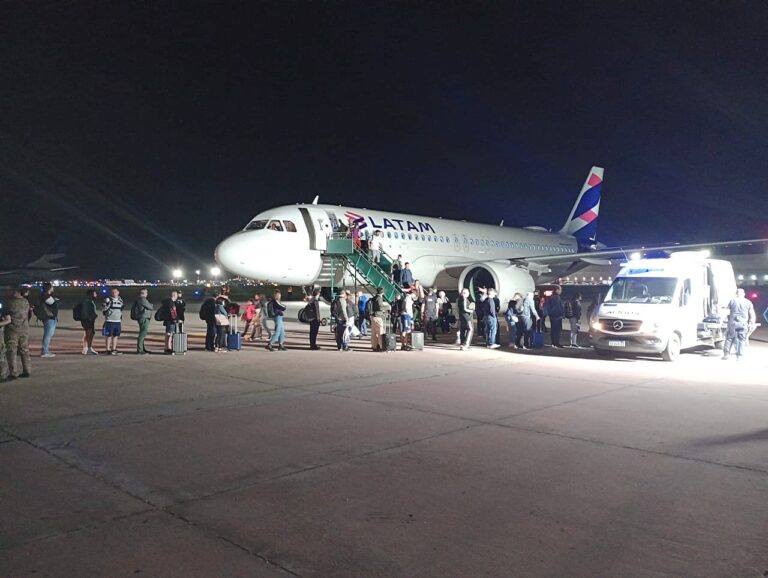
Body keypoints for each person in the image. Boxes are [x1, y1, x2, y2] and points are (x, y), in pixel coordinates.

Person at [4, 286, 31, 379]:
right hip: (24, 329)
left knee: (11, 351)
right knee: (24, 350)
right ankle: (27, 370)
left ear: (15, 291)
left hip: (12, 330)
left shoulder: (10, 302)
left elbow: (6, 315)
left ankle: (13, 372)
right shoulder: (26, 302)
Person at [722, 288, 756, 360]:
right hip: (743, 323)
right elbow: (752, 314)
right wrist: (752, 322)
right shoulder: (748, 302)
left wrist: (724, 320)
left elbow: (727, 311)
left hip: (733, 323)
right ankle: (739, 356)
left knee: (729, 338)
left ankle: (726, 355)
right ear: (744, 294)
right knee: (741, 339)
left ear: (736, 294)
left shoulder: (732, 301)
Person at [37, 282, 59, 358]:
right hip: (49, 317)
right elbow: (53, 303)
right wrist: (55, 300)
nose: (53, 288)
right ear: (49, 288)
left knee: (49, 334)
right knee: (47, 335)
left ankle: (45, 350)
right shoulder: (45, 296)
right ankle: (44, 351)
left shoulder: (46, 296)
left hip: (51, 317)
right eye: (52, 287)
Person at [102, 287, 124, 355]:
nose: (114, 293)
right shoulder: (108, 300)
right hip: (110, 320)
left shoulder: (120, 300)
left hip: (117, 321)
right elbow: (103, 309)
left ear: (118, 292)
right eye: (112, 292)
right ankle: (107, 349)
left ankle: (114, 349)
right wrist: (108, 305)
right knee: (108, 336)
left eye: (115, 292)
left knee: (116, 335)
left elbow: (121, 309)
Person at [76, 289, 99, 355]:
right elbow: (85, 312)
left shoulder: (89, 301)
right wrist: (89, 318)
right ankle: (86, 348)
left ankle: (88, 347)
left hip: (89, 320)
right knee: (88, 334)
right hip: (87, 320)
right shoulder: (87, 302)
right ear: (90, 294)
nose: (96, 295)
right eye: (94, 293)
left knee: (90, 333)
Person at [132, 288, 154, 354]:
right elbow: (150, 307)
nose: (147, 294)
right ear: (143, 293)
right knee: (143, 333)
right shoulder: (143, 299)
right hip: (144, 317)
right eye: (146, 292)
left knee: (142, 333)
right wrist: (151, 305)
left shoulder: (139, 299)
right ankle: (140, 349)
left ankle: (142, 348)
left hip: (142, 317)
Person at [370, 287, 391, 351]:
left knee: (374, 333)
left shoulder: (374, 297)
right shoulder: (379, 298)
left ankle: (374, 346)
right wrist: (388, 307)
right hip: (378, 316)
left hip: (373, 316)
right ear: (382, 292)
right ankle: (381, 346)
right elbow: (380, 307)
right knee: (380, 332)